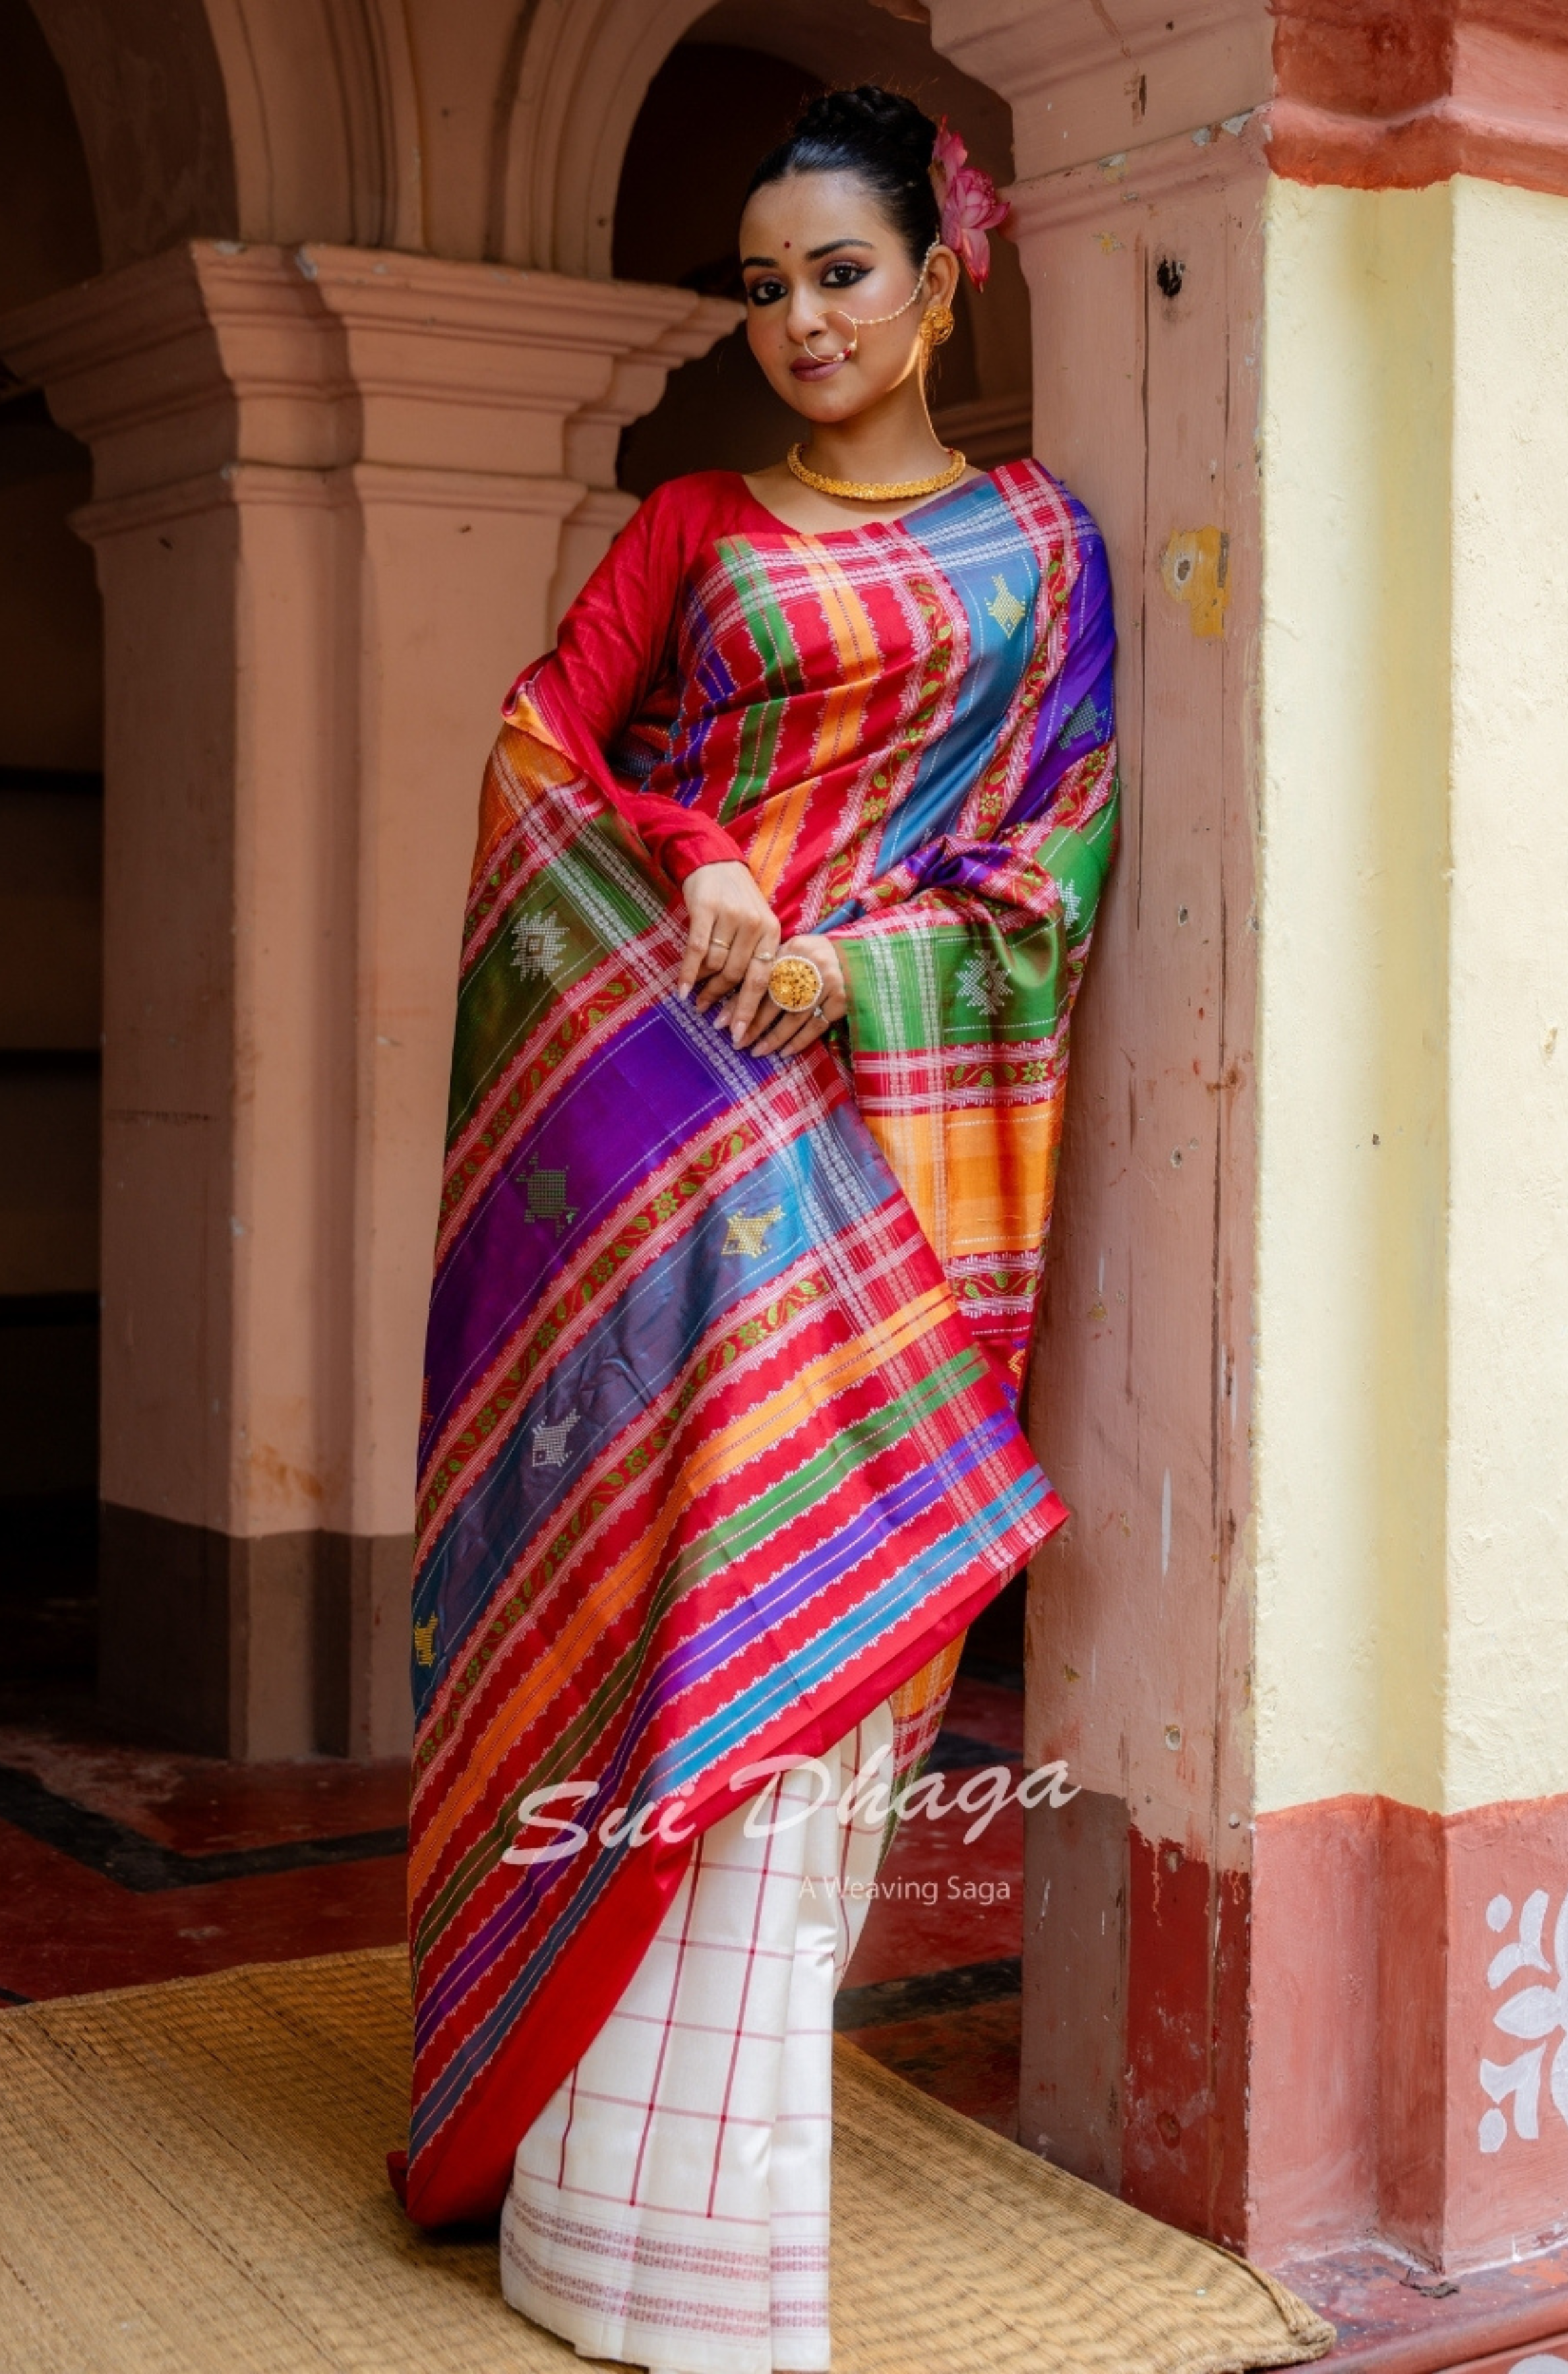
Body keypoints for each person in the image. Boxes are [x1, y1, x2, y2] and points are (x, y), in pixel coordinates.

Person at [394, 84, 1118, 2374]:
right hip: (686, 1176)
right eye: (764, 283)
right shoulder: (696, 526)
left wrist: (848, 966)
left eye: (841, 273)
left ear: (940, 276)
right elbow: (538, 745)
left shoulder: (1047, 555)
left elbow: (1058, 860)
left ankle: (705, 2207)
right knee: (678, 1620)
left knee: (825, 1665)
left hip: (903, 1161)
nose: (800, 319)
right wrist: (692, 845)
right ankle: (594, 2186)